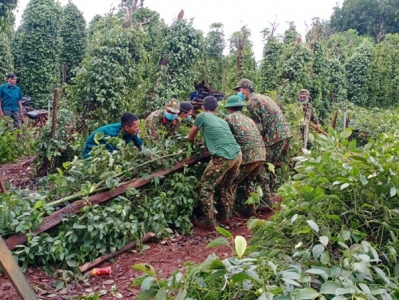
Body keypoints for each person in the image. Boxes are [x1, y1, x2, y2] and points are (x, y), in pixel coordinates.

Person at [188, 96, 242, 229]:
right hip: (237, 154)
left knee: (206, 186)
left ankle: (209, 221)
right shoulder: (222, 121)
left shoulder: (202, 116)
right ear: (216, 109)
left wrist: (189, 145)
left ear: (202, 107)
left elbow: (191, 136)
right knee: (227, 185)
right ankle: (226, 216)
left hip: (223, 156)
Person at [233, 78, 292, 198]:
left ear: (246, 90)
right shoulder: (263, 97)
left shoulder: (252, 102)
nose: (237, 93)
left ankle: (266, 198)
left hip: (273, 137)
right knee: (272, 165)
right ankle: (271, 193)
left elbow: (258, 127)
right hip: (285, 135)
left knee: (261, 164)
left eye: (239, 90)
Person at [224, 95, 267, 216]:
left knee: (231, 182)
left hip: (248, 155)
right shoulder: (249, 119)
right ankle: (250, 209)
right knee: (249, 180)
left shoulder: (228, 118)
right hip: (261, 153)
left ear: (229, 108)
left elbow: (226, 137)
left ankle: (227, 214)